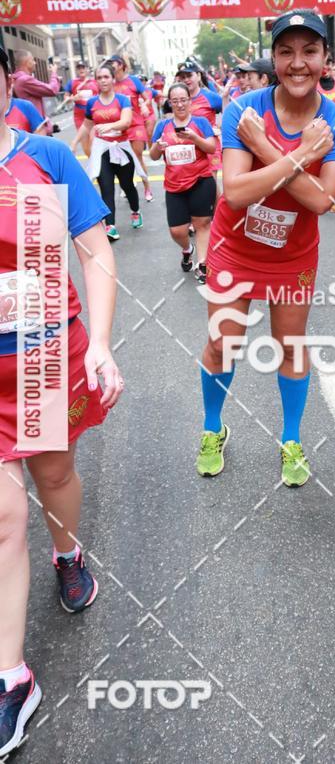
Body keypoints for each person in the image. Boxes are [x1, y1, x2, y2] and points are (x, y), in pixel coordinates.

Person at [0, 47, 124, 755]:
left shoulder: (44, 157)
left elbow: (94, 249)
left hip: (45, 357)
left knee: (51, 478)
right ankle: (12, 676)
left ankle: (68, 554)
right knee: (3, 513)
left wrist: (100, 342)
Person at [196, 9, 335, 484]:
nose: (297, 63)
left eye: (309, 51)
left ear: (326, 58)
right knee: (223, 343)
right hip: (235, 246)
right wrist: (302, 155)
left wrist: (271, 151)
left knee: (290, 346)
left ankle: (291, 439)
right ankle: (212, 427)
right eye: (286, 51)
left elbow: (321, 199)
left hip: (292, 256)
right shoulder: (243, 110)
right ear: (273, 57)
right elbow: (237, 192)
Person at [149, 82, 217, 277]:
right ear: (170, 103)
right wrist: (158, 147)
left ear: (190, 101)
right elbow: (153, 156)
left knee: (202, 223)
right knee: (177, 231)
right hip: (174, 185)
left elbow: (211, 148)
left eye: (183, 100)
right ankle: (187, 250)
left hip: (201, 180)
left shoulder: (201, 122)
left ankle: (203, 265)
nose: (180, 105)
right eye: (175, 101)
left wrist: (195, 138)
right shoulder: (162, 126)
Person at [74, 63, 143, 241]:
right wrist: (73, 143)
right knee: (106, 186)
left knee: (127, 184)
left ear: (113, 79)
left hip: (121, 148)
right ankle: (110, 225)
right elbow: (86, 125)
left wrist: (109, 126)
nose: (103, 81)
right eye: (99, 77)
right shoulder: (92, 103)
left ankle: (135, 211)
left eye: (106, 77)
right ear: (96, 81)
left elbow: (126, 122)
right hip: (102, 148)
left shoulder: (122, 100)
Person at [105, 55, 153, 202]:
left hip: (136, 124)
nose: (111, 65)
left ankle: (147, 186)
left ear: (120, 64)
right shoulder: (110, 83)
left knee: (137, 156)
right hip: (119, 127)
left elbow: (147, 97)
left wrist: (145, 105)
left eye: (113, 63)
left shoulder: (133, 80)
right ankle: (127, 186)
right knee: (120, 160)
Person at [11, 50, 60, 135]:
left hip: (32, 127)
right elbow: (52, 90)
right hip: (37, 129)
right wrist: (54, 73)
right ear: (27, 62)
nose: (35, 63)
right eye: (33, 60)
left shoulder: (17, 79)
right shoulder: (25, 80)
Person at [64, 62, 98, 155]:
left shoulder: (95, 82)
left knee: (93, 140)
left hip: (93, 114)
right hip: (79, 115)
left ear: (87, 69)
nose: (81, 70)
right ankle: (92, 163)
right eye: (79, 68)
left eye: (83, 67)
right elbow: (66, 99)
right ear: (76, 70)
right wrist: (72, 98)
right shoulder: (72, 83)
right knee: (85, 146)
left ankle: (98, 163)